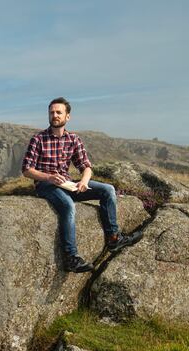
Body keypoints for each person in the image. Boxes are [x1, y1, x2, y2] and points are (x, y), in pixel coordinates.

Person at [21, 97, 141, 273]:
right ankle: (71, 258)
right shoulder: (38, 139)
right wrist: (48, 177)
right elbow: (26, 170)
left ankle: (114, 238)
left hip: (68, 184)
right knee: (68, 205)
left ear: (67, 116)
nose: (54, 115)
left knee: (108, 190)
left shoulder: (73, 139)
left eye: (58, 112)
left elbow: (86, 166)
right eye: (52, 112)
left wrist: (84, 181)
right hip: (46, 185)